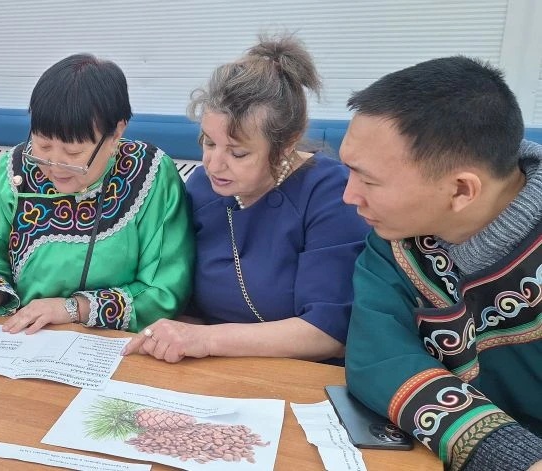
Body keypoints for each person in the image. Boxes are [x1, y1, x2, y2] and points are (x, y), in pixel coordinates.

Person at [341, 56, 542, 471]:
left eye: (369, 181)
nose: (349, 196)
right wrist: (507, 454)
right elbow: (378, 356)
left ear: (462, 191)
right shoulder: (395, 242)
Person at [123, 34, 369, 364]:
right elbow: (186, 301)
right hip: (216, 368)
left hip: (300, 374)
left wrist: (204, 339)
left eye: (238, 153)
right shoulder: (202, 187)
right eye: (208, 143)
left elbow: (327, 333)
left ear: (286, 145)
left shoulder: (329, 193)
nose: (214, 164)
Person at [0, 53, 193, 336]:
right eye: (43, 145)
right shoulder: (15, 168)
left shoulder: (149, 173)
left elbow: (164, 288)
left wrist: (73, 308)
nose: (54, 165)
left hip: (112, 343)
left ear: (115, 134)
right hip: (22, 338)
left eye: (73, 152)